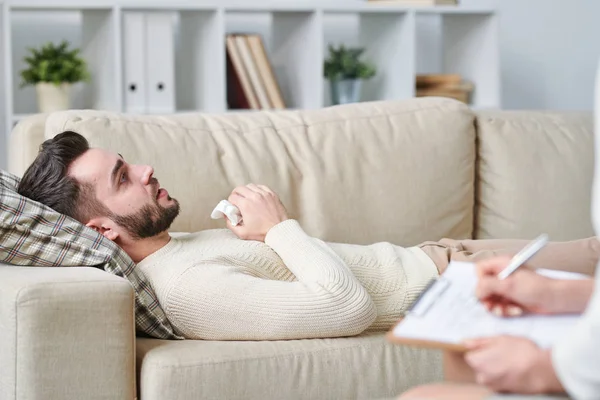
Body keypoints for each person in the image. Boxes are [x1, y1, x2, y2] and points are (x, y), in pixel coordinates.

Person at [17, 131, 600, 342]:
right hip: (454, 287)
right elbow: (345, 308)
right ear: (101, 230)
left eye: (129, 162)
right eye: (123, 178)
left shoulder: (179, 251)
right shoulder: (188, 291)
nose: (144, 170)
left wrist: (262, 240)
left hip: (439, 260)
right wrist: (281, 229)